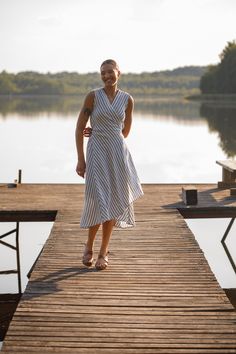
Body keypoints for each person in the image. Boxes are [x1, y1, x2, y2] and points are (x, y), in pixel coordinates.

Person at [75, 59, 143, 270]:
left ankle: (104, 252)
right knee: (98, 198)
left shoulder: (127, 99)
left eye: (110, 72)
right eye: (103, 73)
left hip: (117, 154)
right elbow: (79, 129)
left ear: (118, 73)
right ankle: (89, 246)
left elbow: (125, 131)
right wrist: (80, 159)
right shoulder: (93, 96)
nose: (106, 76)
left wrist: (109, 135)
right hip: (96, 152)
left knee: (113, 200)